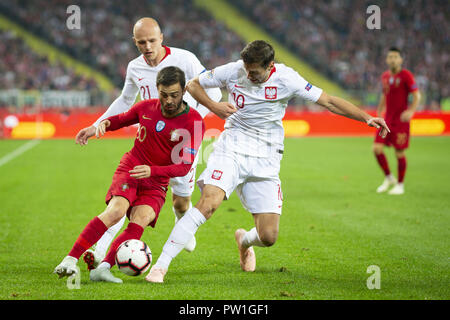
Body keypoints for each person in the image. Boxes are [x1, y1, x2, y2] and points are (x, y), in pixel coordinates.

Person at [145, 40, 390, 283]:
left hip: (266, 157)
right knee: (208, 203)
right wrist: (213, 106)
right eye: (246, 68)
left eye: (254, 72)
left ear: (270, 65)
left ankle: (244, 241)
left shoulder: (287, 79)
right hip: (232, 147)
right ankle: (160, 266)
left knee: (269, 236)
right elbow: (193, 84)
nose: (248, 75)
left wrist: (367, 118)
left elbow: (328, 101)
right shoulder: (234, 70)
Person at [74, 18, 228, 269]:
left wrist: (191, 121)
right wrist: (98, 124)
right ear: (134, 42)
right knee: (124, 200)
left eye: (152, 41)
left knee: (181, 200)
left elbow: (212, 92)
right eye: (141, 42)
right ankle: (101, 253)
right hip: (148, 143)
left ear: (162, 38)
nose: (147, 46)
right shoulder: (135, 67)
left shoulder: (186, 59)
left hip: (180, 144)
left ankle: (182, 225)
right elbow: (125, 100)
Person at [54, 66, 206, 283]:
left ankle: (103, 268)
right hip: (132, 169)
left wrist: (152, 171)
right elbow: (120, 119)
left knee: (141, 219)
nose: (169, 100)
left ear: (184, 91)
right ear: (157, 90)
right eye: (164, 95)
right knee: (116, 211)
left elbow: (184, 167)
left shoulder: (196, 122)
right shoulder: (146, 107)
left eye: (174, 95)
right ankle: (70, 259)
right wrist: (101, 124)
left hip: (157, 181)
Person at [373, 47, 420, 195]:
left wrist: (411, 111)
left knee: (399, 153)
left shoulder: (406, 75)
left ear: (400, 60)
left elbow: (417, 95)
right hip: (387, 120)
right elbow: (384, 94)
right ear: (387, 60)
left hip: (401, 121)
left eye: (395, 57)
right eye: (390, 57)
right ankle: (389, 177)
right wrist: (379, 111)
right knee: (376, 149)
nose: (392, 59)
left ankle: (400, 185)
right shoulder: (385, 76)